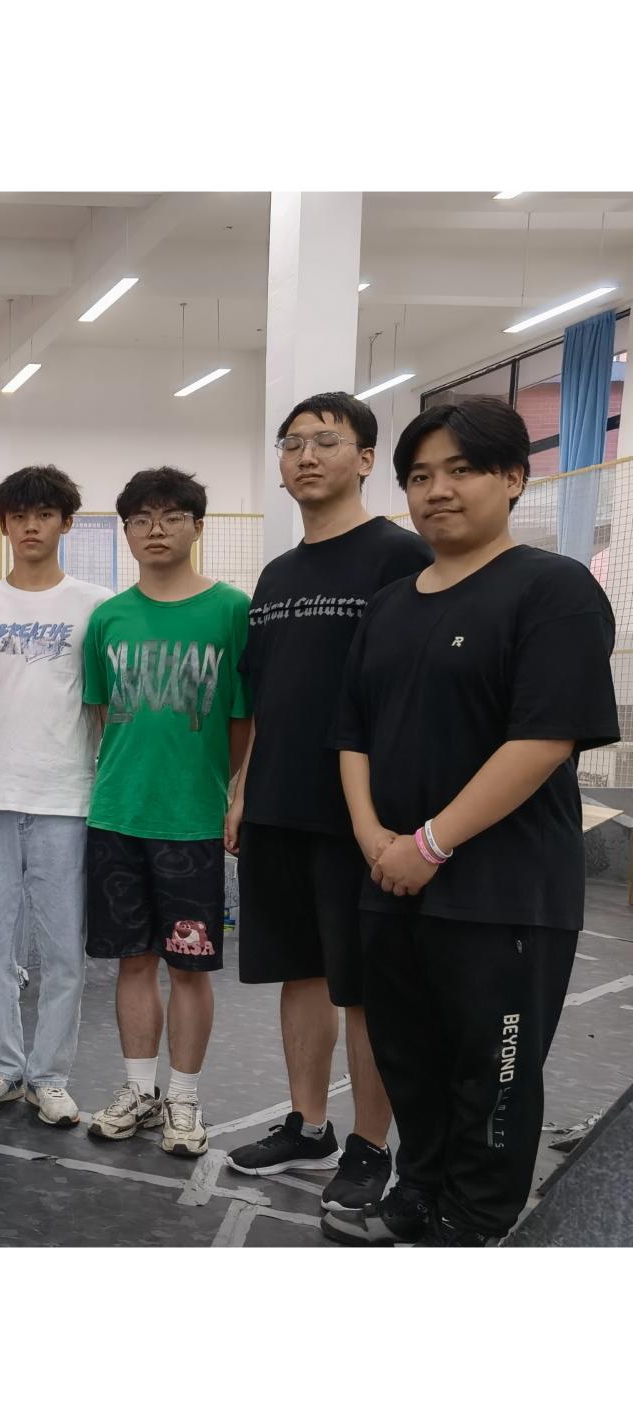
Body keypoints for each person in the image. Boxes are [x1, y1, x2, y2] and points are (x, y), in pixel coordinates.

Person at [326, 396, 616, 1247]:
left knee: (493, 1067)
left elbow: (544, 739)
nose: (437, 490)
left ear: (515, 478)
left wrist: (430, 841)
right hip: (391, 879)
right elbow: (352, 734)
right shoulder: (389, 605)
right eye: (420, 476)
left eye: (461, 470)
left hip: (503, 892)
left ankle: (474, 1219)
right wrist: (372, 836)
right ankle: (418, 1190)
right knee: (408, 1055)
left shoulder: (553, 589)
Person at [222, 394, 430, 1212]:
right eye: (292, 443)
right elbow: (269, 698)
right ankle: (309, 1125)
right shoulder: (276, 574)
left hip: (362, 818)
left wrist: (395, 819)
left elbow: (409, 693)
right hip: (278, 808)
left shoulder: (399, 556)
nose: (306, 455)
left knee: (365, 986)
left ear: (366, 458)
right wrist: (242, 790)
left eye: (326, 441)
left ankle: (371, 1145)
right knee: (300, 973)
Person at [81, 467, 250, 1158]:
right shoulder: (107, 618)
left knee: (189, 968)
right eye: (141, 518)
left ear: (197, 527)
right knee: (131, 962)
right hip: (117, 815)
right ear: (125, 531)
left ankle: (183, 1096)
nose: (156, 529)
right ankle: (138, 1090)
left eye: (172, 516)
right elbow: (103, 714)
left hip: (192, 822)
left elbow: (244, 717)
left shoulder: (231, 610)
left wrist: (232, 793)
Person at [0, 465, 110, 1125]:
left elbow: (103, 706)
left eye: (44, 514)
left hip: (67, 797)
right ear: (4, 526)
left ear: (66, 523)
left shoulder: (96, 604)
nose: (31, 527)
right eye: (18, 516)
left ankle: (49, 1076)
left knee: (62, 950)